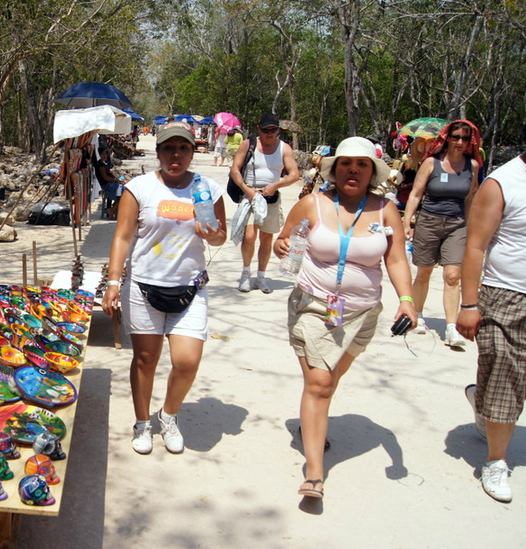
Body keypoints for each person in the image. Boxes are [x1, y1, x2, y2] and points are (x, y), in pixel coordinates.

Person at [274, 137, 416, 499]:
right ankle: (315, 474)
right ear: (334, 169)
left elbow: (397, 258)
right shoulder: (312, 204)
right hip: (313, 306)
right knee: (321, 383)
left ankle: (312, 424)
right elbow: (285, 239)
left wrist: (406, 300)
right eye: (346, 163)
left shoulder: (386, 210)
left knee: (329, 381)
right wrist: (281, 244)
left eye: (362, 164)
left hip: (363, 312)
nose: (354, 169)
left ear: (372, 172)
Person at [101, 121, 228, 455]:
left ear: (192, 151)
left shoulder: (208, 189)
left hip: (190, 288)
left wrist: (211, 233)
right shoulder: (139, 188)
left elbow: (221, 235)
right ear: (158, 152)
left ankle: (168, 416)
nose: (176, 154)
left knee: (187, 361)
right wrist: (114, 282)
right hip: (143, 288)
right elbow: (123, 237)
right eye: (169, 148)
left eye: (183, 148)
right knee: (146, 359)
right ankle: (142, 423)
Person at [457, 147, 526, 503]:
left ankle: (482, 406)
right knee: (504, 372)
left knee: (515, 380)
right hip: (505, 293)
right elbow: (475, 246)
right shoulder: (502, 183)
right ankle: (496, 461)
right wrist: (469, 304)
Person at [401, 120, 482, 347]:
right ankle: (416, 315)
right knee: (424, 272)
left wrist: (471, 226)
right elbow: (416, 194)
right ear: (447, 138)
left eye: (465, 138)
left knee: (453, 275)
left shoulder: (472, 166)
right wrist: (407, 222)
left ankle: (451, 328)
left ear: (470, 142)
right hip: (429, 221)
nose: (459, 142)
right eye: (455, 137)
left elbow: (470, 198)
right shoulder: (430, 163)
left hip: (458, 224)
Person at [231, 113, 300, 293]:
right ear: (259, 129)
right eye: (266, 130)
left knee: (267, 237)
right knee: (249, 236)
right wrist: (247, 190)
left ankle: (261, 276)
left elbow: (294, 175)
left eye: (274, 130)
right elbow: (235, 170)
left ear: (278, 130)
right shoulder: (248, 144)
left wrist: (276, 185)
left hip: (271, 197)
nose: (270, 134)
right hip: (251, 195)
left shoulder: (284, 148)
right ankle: (246, 273)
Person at [95, 147, 123, 219]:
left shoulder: (103, 164)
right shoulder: (100, 166)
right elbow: (105, 177)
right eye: (102, 154)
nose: (104, 156)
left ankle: (113, 208)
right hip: (107, 185)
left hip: (110, 184)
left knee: (123, 191)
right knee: (124, 193)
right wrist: (116, 180)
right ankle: (112, 209)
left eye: (105, 154)